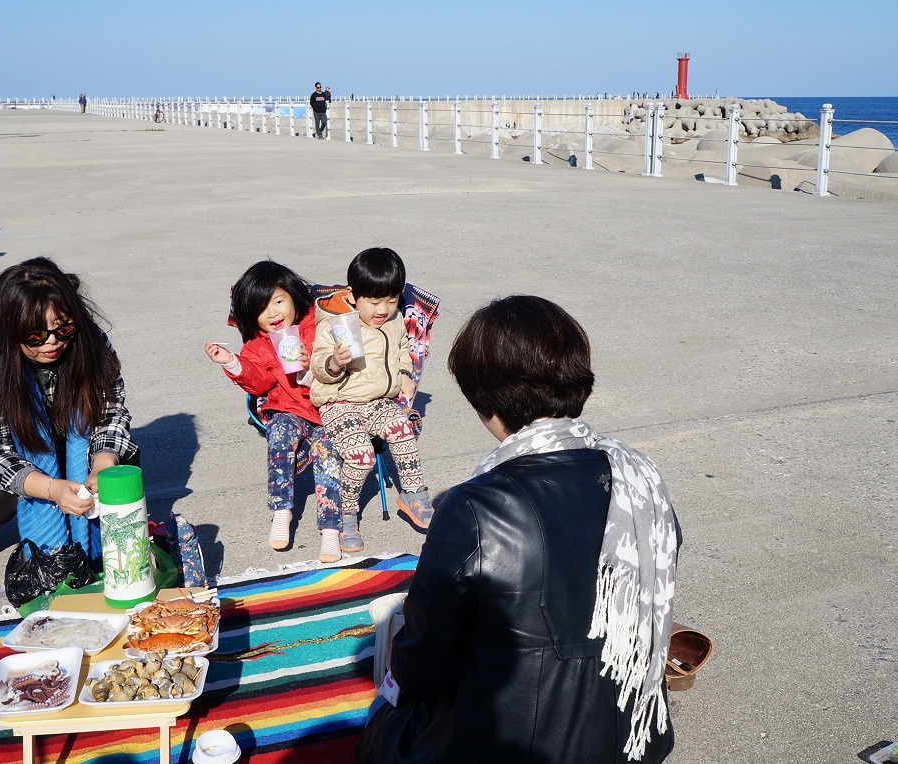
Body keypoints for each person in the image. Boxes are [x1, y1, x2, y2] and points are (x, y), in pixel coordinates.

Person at [357, 295, 680, 764]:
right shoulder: (640, 479)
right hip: (633, 738)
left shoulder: (475, 507)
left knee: (381, 724)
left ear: (482, 397)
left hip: (511, 746)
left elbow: (423, 669)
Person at [0, 257, 139, 586]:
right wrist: (52, 488)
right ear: (8, 330)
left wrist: (103, 463)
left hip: (71, 439)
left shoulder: (90, 340)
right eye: (34, 335)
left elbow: (110, 411)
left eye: (64, 328)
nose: (52, 342)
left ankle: (114, 528)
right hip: (1, 447)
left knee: (121, 460)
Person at [204, 261, 343, 563]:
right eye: (261, 308)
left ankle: (330, 530)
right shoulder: (257, 345)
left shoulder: (318, 326)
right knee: (279, 433)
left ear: (294, 296)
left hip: (328, 408)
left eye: (279, 301)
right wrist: (231, 361)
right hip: (288, 408)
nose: (273, 313)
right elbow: (259, 382)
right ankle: (281, 512)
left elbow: (343, 363)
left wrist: (313, 365)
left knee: (327, 450)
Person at [310, 248, 432, 551]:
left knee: (403, 429)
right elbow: (318, 367)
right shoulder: (335, 325)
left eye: (391, 300)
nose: (383, 309)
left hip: (379, 401)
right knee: (361, 454)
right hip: (340, 403)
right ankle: (346, 513)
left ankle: (413, 495)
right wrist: (335, 363)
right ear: (353, 296)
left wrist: (405, 373)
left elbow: (404, 347)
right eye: (374, 301)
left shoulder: (395, 320)